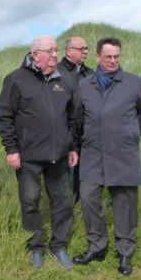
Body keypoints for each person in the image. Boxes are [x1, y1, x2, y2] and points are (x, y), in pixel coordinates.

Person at [0, 35, 79, 269]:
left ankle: (59, 245)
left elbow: (70, 118)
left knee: (63, 201)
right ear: (35, 55)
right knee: (31, 201)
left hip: (60, 156)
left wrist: (72, 146)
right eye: (50, 51)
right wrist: (11, 149)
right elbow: (4, 117)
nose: (55, 55)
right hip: (29, 157)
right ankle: (35, 247)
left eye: (56, 51)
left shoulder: (63, 82)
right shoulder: (16, 80)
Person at [73, 37, 141, 276]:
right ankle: (97, 246)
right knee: (88, 198)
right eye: (108, 56)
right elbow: (77, 118)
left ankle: (125, 252)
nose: (113, 60)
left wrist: (129, 135)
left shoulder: (134, 83)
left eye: (116, 56)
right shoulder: (85, 85)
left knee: (124, 204)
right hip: (92, 153)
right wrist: (82, 142)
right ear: (97, 57)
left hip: (123, 154)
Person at [57, 37, 94, 203]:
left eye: (86, 48)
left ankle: (79, 207)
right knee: (64, 176)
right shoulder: (56, 72)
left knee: (83, 175)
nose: (85, 51)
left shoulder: (91, 74)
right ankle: (65, 208)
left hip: (86, 134)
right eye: (81, 48)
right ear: (69, 51)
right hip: (63, 133)